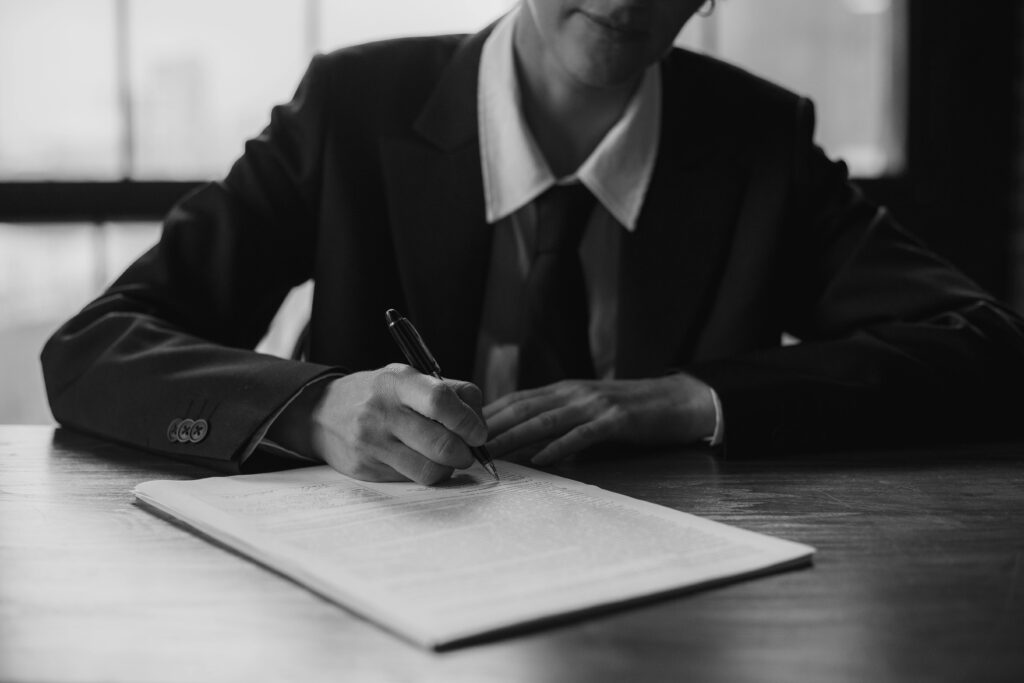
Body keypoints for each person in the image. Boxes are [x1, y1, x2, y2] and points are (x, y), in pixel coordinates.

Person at [41, 0, 1024, 485]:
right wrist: (314, 408)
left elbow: (988, 346)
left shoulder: (759, 143)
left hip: (677, 620)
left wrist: (689, 397)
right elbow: (94, 347)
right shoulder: (351, 111)